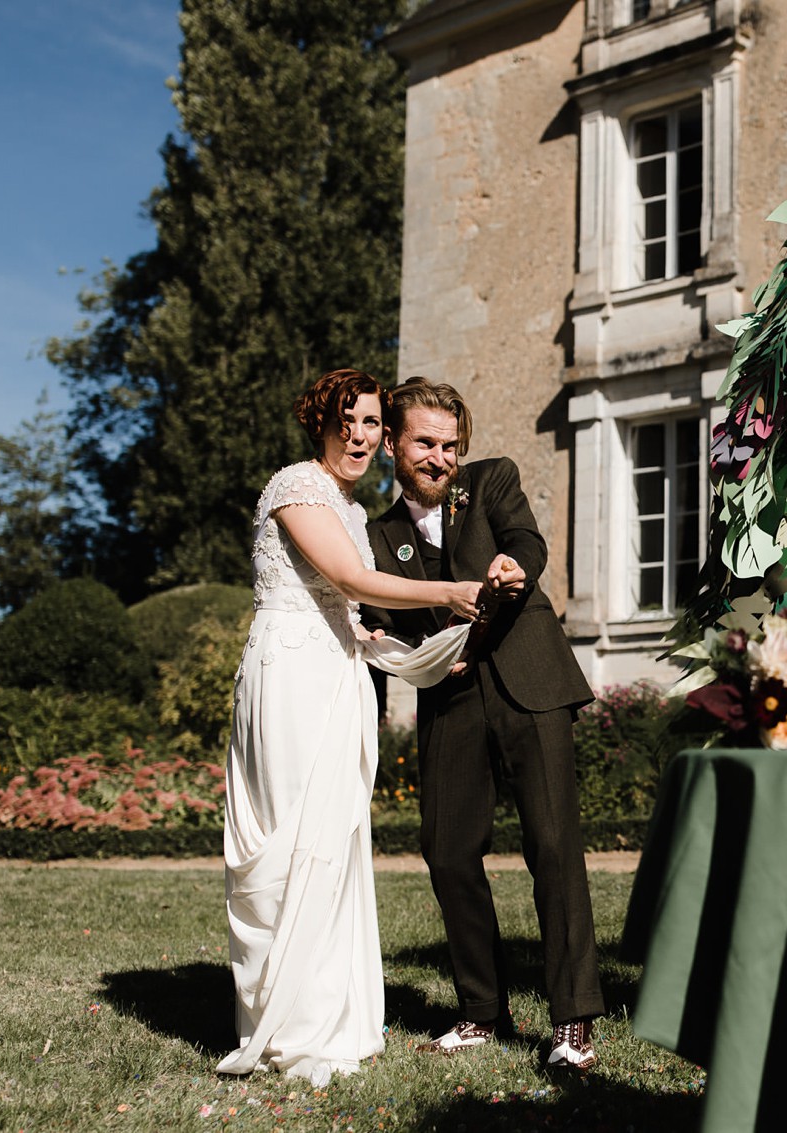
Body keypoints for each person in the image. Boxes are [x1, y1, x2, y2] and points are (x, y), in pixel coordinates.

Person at [217, 369, 518, 1086]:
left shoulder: (353, 511)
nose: (359, 435)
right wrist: (448, 591)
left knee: (333, 839)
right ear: (319, 423)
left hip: (339, 677)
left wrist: (413, 654)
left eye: (372, 423)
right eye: (345, 420)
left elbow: (351, 615)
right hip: (290, 676)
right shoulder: (297, 487)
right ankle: (284, 1022)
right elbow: (351, 581)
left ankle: (330, 1015)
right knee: (290, 840)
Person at [361, 377, 604, 1070]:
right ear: (394, 446)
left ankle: (573, 1020)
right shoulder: (379, 535)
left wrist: (514, 566)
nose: (440, 457)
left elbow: (527, 541)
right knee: (446, 852)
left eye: (449, 445)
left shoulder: (492, 480)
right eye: (425, 444)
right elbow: (387, 622)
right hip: (449, 699)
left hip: (528, 680)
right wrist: (385, 642)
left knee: (553, 846)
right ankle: (481, 1010)